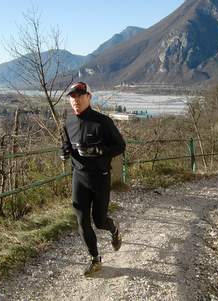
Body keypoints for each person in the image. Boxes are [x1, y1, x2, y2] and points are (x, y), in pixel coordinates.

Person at [60, 81, 126, 276]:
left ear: (89, 97)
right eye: (72, 97)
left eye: (80, 96)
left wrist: (101, 150)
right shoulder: (68, 122)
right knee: (82, 221)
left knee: (99, 221)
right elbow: (66, 145)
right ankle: (95, 259)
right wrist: (63, 152)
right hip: (79, 177)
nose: (76, 100)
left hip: (100, 178)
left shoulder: (102, 122)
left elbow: (120, 146)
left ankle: (113, 229)